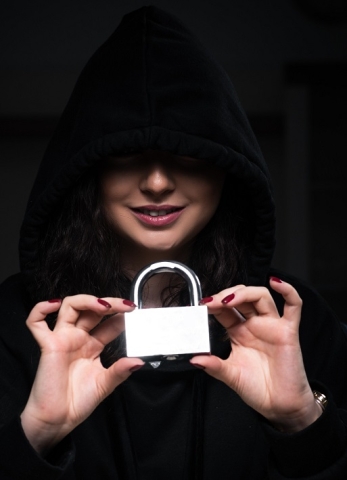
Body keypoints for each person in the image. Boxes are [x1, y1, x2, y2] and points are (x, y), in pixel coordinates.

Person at [0, 5, 347, 479]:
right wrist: (37, 433)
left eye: (188, 156)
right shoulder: (14, 324)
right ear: (89, 169)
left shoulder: (293, 321)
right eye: (126, 156)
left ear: (227, 169)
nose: (159, 182)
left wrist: (302, 420)